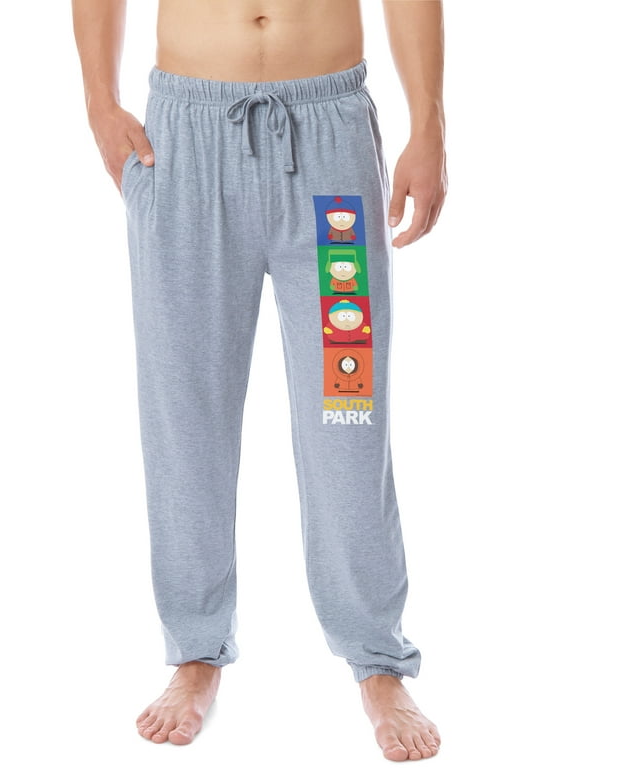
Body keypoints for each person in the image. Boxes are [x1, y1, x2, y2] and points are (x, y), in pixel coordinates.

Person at [71, 0, 446, 761]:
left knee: (348, 416)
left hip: (331, 141)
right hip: (184, 146)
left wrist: (429, 123)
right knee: (186, 418)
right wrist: (100, 105)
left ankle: (378, 659)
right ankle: (195, 650)